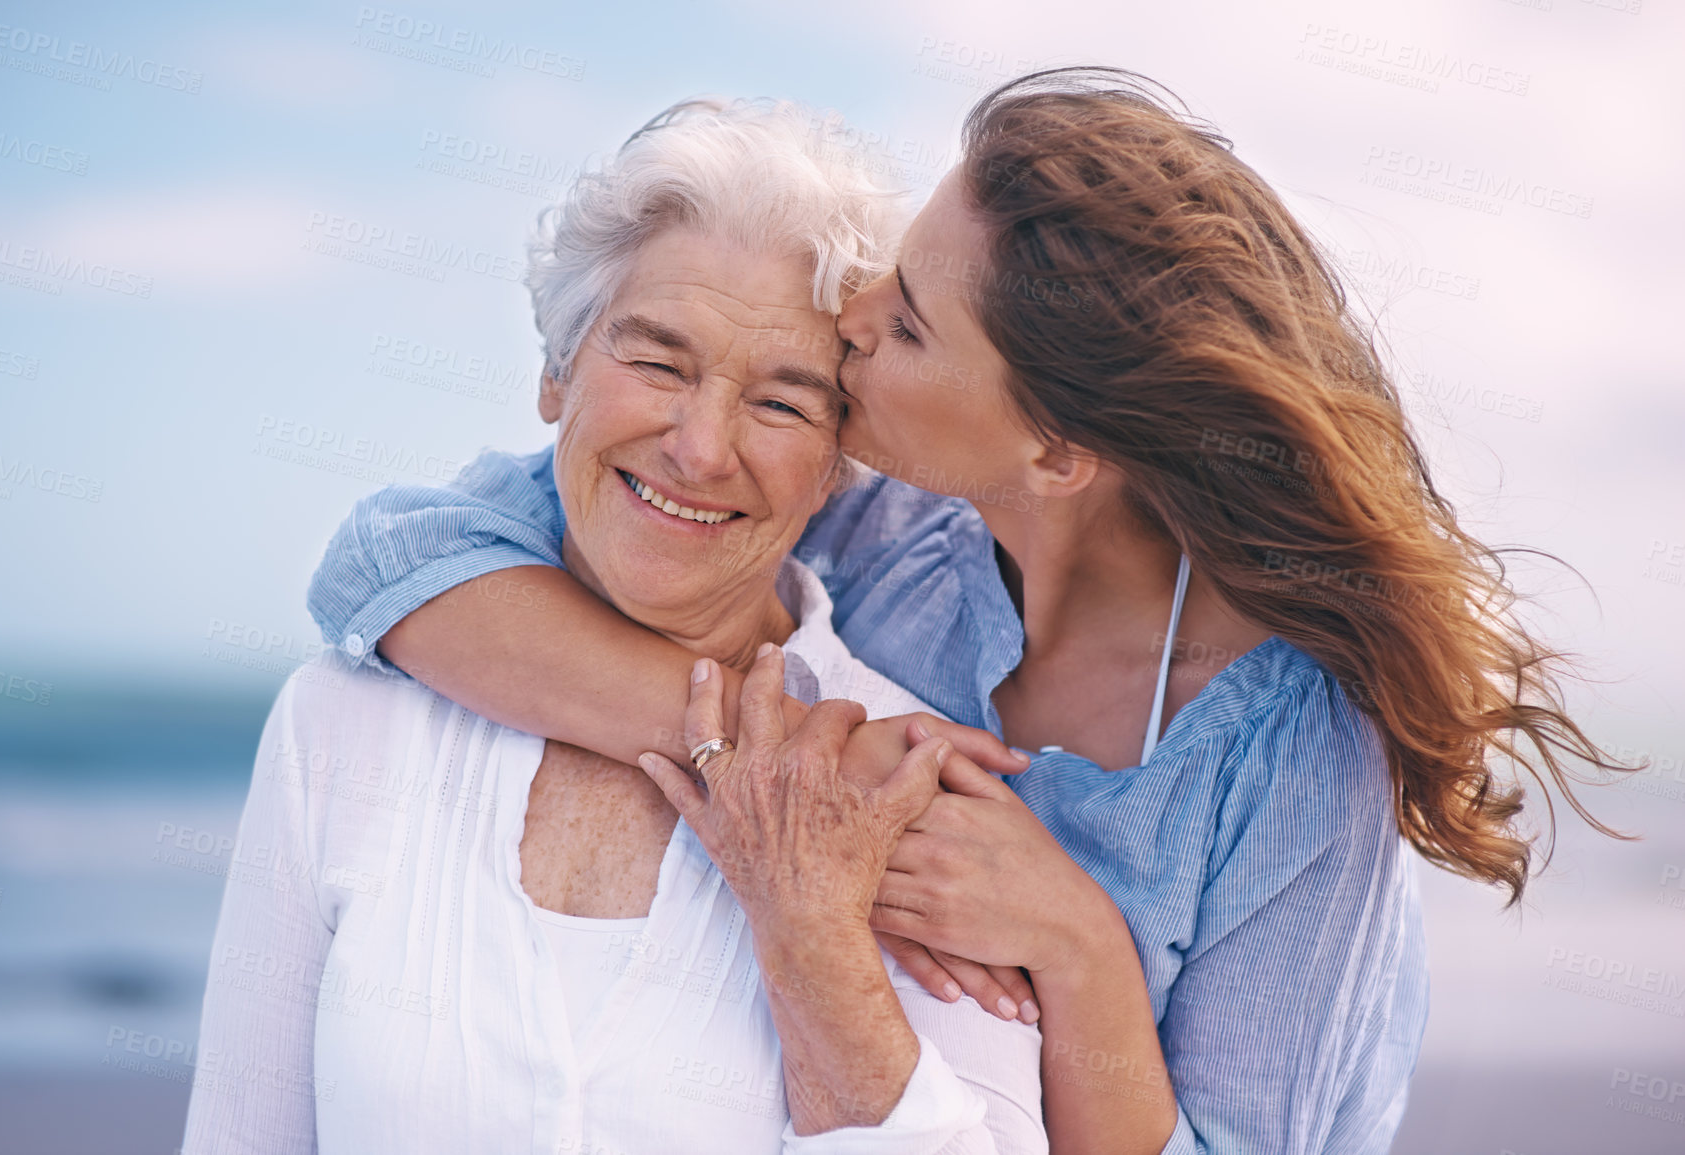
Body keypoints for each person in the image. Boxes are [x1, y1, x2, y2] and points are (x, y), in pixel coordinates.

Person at [307, 69, 1624, 1154]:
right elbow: (388, 557)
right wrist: (775, 747)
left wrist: (1076, 944)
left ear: (1056, 451)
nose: (853, 313)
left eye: (914, 323)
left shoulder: (1289, 744)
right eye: (897, 268)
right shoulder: (880, 532)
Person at [182, 98, 1047, 1155]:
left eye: (780, 403)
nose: (697, 447)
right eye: (658, 364)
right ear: (556, 374)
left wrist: (813, 931)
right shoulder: (346, 719)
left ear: (839, 464)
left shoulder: (903, 781)